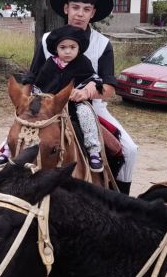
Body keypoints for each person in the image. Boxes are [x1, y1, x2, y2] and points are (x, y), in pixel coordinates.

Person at [0, 0, 138, 194]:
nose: (80, 13)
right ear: (66, 9)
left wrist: (88, 90)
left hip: (88, 107)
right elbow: (31, 78)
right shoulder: (47, 40)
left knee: (129, 149)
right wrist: (22, 105)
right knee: (15, 140)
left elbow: (109, 88)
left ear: (93, 13)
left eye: (86, 9)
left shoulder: (102, 44)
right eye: (75, 8)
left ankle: (120, 198)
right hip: (46, 107)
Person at [6, 24, 105, 172]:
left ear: (79, 48)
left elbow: (94, 80)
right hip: (50, 105)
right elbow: (39, 84)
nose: (67, 51)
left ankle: (93, 150)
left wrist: (85, 90)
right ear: (56, 49)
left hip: (74, 103)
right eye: (63, 47)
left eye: (72, 47)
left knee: (86, 114)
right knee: (24, 118)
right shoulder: (50, 64)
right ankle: (8, 149)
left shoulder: (83, 62)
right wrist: (38, 98)